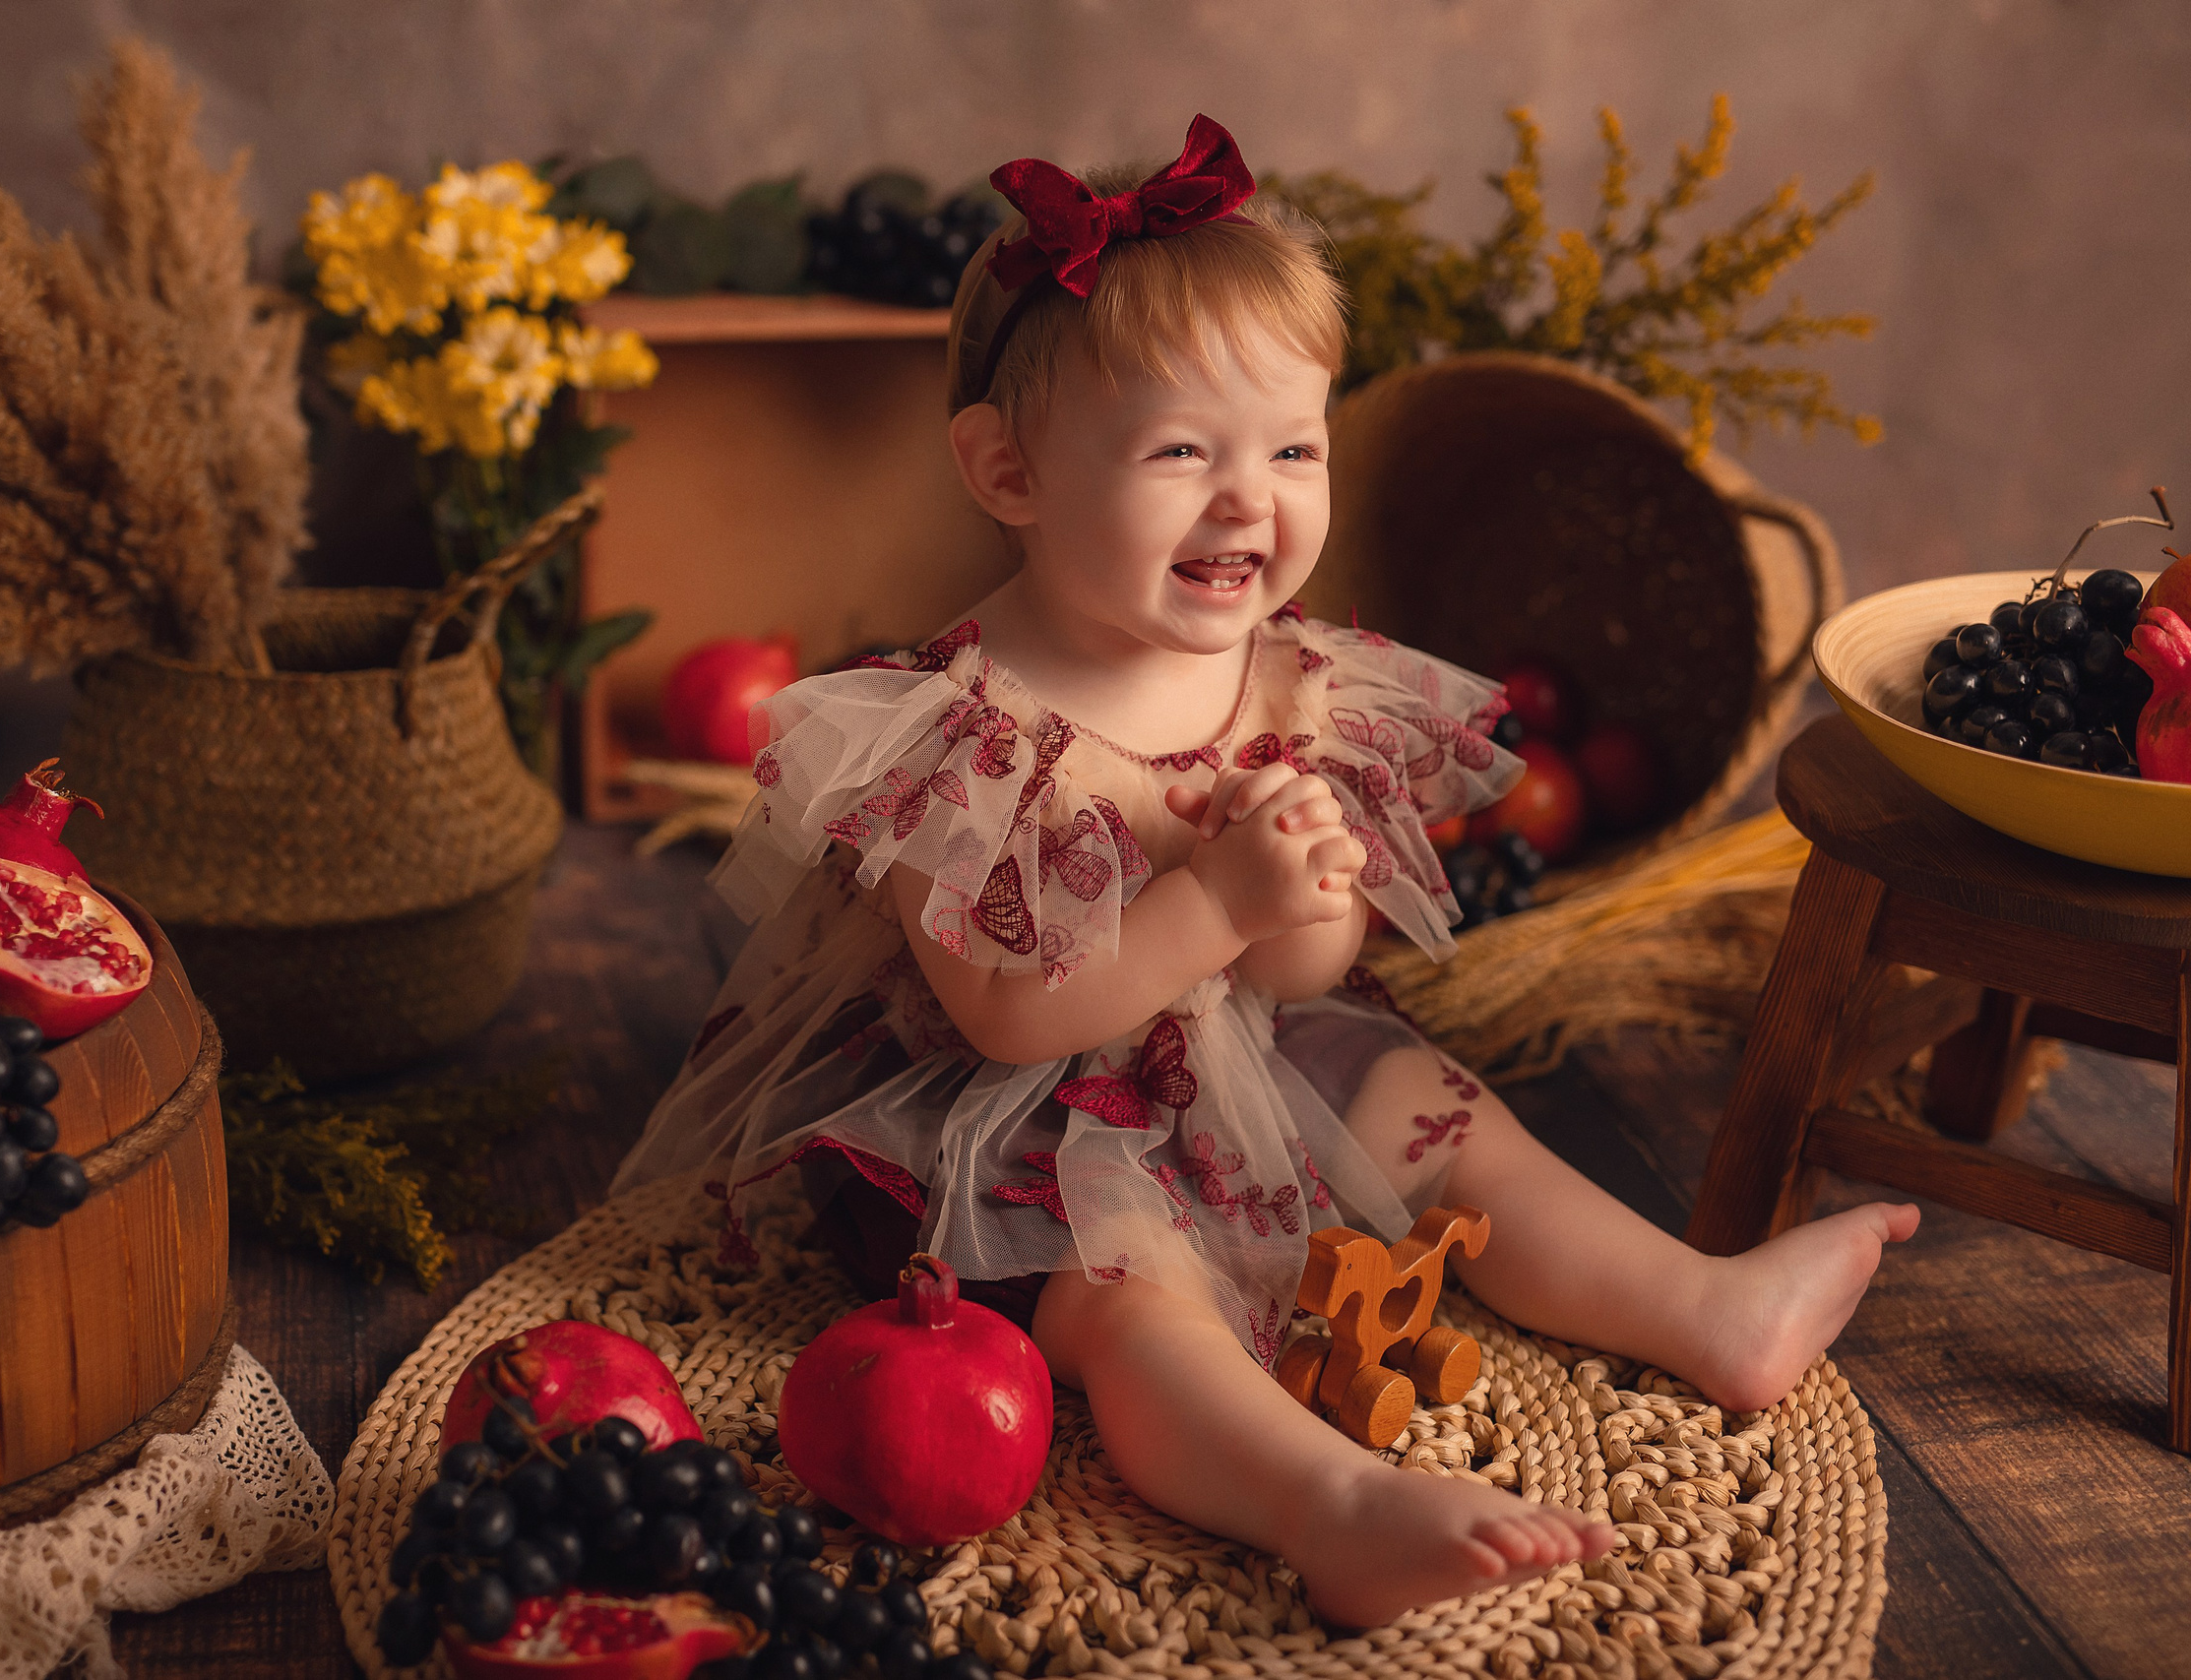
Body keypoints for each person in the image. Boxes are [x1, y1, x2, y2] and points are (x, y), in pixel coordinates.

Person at [614, 116, 1916, 1629]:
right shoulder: (950, 734)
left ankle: (1702, 1305)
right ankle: (1332, 1502)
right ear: (1008, 468)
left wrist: (1300, 896)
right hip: (1006, 1140)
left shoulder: (1293, 681)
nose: (1252, 502)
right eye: (1182, 452)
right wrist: (1216, 899)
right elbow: (1011, 1021)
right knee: (1127, 1303)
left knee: (1443, 1106)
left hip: (1240, 1057)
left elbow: (1302, 980)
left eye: (1292, 448)